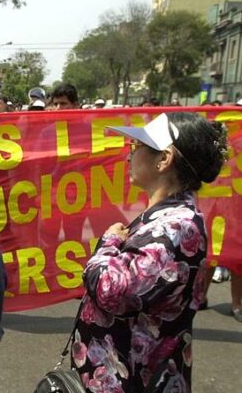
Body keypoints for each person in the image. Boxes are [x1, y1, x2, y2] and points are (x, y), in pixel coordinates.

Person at [71, 112, 227, 391]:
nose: (129, 155)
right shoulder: (172, 216)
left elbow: (111, 290)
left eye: (137, 147)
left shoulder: (175, 227)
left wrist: (107, 244)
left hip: (135, 378)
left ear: (164, 159)